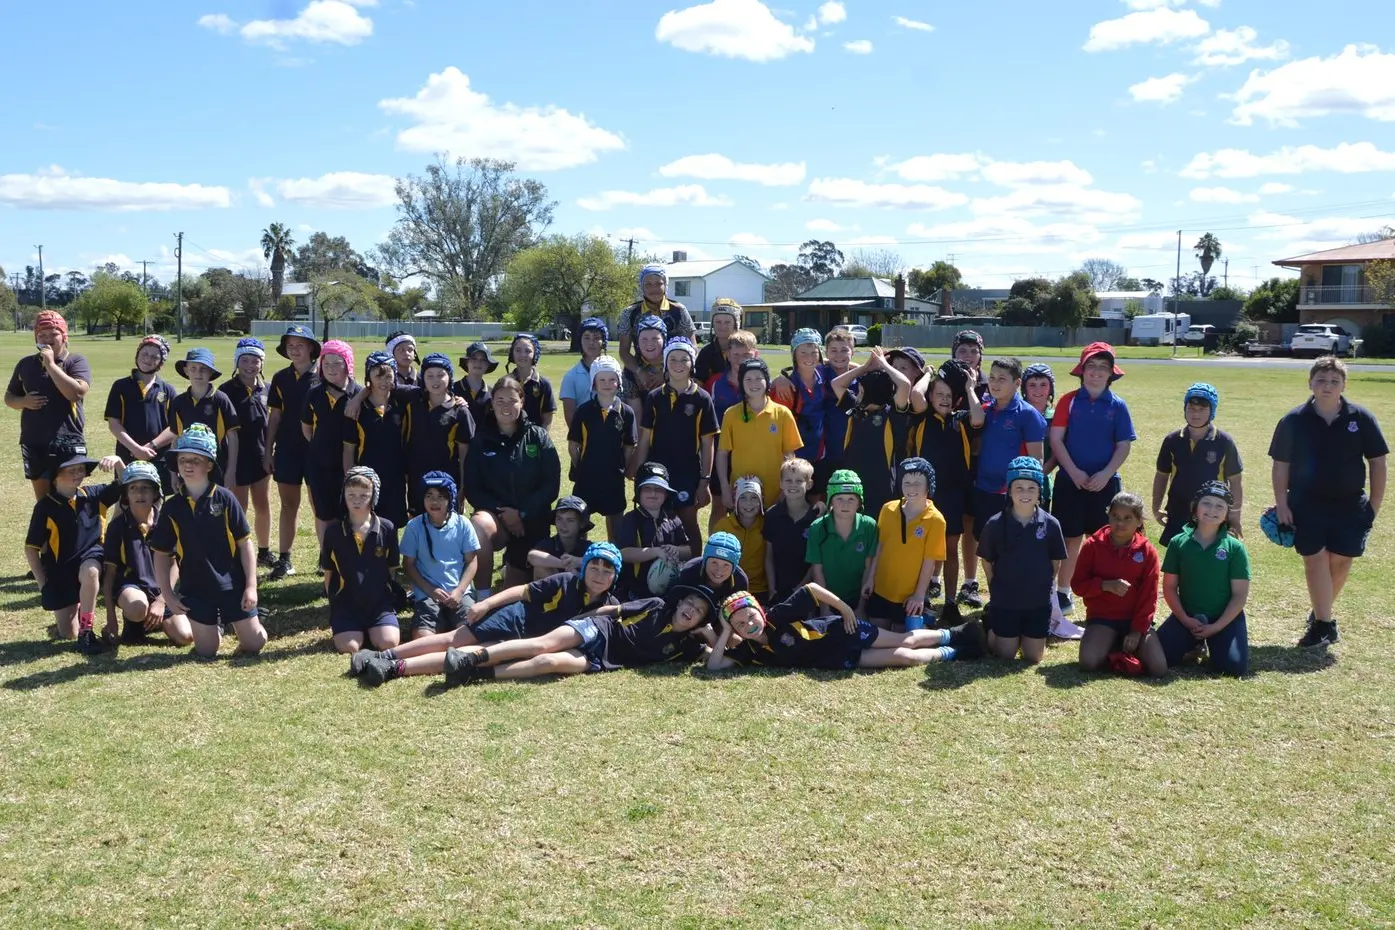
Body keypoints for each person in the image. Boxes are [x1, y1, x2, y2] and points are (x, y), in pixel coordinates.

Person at [349, 542, 624, 685]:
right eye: (594, 567)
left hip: (525, 644)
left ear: (615, 576)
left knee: (465, 656)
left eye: (607, 571)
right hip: (513, 617)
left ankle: (394, 669)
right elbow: (521, 591)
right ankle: (383, 655)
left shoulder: (609, 608)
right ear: (584, 568)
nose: (599, 575)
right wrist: (486, 604)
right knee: (452, 639)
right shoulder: (566, 581)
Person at [1268, 356, 1386, 648]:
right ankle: (1324, 626)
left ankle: (1321, 610)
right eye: (1321, 380)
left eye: (1334, 381)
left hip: (1350, 504)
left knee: (1341, 560)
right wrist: (1282, 503)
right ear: (1310, 383)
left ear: (1344, 385)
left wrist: (1374, 505)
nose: (1327, 386)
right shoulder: (1293, 420)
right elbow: (1281, 465)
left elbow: (1378, 462)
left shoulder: (1362, 418)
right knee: (1315, 559)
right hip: (1306, 502)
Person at [413, 585, 717, 687]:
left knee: (547, 662)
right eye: (689, 603)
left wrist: (714, 634)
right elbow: (612, 610)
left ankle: (474, 674)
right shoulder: (657, 605)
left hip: (606, 660)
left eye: (699, 611)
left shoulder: (686, 646)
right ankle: (471, 658)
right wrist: (579, 623)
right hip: (596, 629)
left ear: (701, 621)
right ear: (680, 602)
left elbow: (719, 661)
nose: (691, 610)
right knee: (542, 645)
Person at [150, 425, 267, 659]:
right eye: (183, 459)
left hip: (233, 586)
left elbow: (245, 544)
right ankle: (215, 626)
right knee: (206, 651)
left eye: (196, 460)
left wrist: (251, 587)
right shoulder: (172, 507)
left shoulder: (225, 498)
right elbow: (161, 554)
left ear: (210, 465)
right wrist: (168, 596)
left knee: (255, 643)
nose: (188, 465)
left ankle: (245, 621)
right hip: (196, 589)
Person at [1049, 342, 1136, 617]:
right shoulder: (1069, 401)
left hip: (1104, 484)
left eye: (1103, 367)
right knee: (1069, 539)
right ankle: (1063, 592)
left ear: (1111, 373)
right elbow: (1056, 439)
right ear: (1082, 370)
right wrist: (1074, 471)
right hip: (1070, 481)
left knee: (1103, 542)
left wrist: (1105, 474)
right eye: (1091, 366)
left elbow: (1123, 445)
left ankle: (1102, 595)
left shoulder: (1118, 406)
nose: (1096, 372)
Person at [707, 586, 983, 672]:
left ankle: (955, 633)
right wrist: (725, 629)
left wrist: (845, 609)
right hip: (835, 658)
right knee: (904, 657)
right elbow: (714, 666)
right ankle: (957, 652)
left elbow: (811, 590)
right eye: (740, 624)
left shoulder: (778, 615)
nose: (749, 625)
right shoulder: (751, 651)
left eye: (750, 616)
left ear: (759, 610)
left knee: (904, 640)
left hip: (843, 630)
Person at [25, 439, 126, 653]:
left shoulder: (94, 495)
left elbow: (126, 486)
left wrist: (118, 462)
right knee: (67, 633)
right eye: (71, 469)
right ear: (56, 474)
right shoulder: (45, 507)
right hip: (61, 572)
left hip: (91, 561)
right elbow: (31, 548)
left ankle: (86, 632)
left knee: (90, 572)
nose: (78, 473)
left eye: (81, 468)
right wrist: (43, 584)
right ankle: (78, 609)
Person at [464, 374, 561, 595]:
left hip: (531, 522)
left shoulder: (538, 436)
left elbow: (551, 485)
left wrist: (522, 513)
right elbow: (473, 488)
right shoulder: (481, 440)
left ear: (522, 402)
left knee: (517, 593)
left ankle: (512, 569)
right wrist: (504, 513)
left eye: (512, 400)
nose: (506, 406)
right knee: (478, 526)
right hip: (497, 519)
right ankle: (482, 597)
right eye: (500, 400)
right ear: (492, 403)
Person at [909, 361, 982, 624]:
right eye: (939, 394)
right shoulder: (921, 417)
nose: (944, 399)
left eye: (949, 395)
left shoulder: (960, 420)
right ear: (931, 396)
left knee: (950, 549)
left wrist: (970, 388)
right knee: (920, 548)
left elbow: (979, 418)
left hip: (952, 495)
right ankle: (920, 599)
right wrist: (929, 374)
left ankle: (950, 602)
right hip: (924, 495)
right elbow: (915, 395)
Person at [976, 456, 1067, 665]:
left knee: (1033, 658)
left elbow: (1055, 562)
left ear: (1039, 491)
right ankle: (991, 626)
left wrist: (1044, 584)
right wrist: (995, 586)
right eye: (1019, 488)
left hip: (1037, 602)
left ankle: (1024, 635)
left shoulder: (1051, 524)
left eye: (1031, 488)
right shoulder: (995, 524)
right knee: (1005, 656)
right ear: (1009, 490)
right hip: (1006, 601)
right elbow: (987, 561)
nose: (1025, 494)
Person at [1155, 482, 1252, 676]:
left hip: (1224, 619)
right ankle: (1194, 643)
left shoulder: (1235, 548)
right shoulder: (1178, 543)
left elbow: (1239, 596)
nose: (1212, 510)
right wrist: (1185, 619)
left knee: (1233, 668)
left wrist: (1216, 627)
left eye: (1220, 506)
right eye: (1206, 503)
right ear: (1195, 508)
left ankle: (1214, 643)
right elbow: (1170, 587)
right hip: (1188, 616)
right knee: (1160, 657)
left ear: (1227, 514)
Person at [635, 336, 717, 549]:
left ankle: (694, 566)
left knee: (688, 523)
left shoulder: (702, 399)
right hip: (657, 472)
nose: (678, 364)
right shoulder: (654, 397)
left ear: (692, 364)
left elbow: (707, 443)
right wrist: (639, 470)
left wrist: (704, 481)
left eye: (684, 359)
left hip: (688, 473)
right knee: (656, 523)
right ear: (665, 363)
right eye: (673, 359)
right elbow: (645, 439)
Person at [101, 460, 194, 648]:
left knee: (185, 637)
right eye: (133, 488)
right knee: (137, 607)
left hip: (162, 590)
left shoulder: (167, 522)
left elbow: (174, 565)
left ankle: (151, 620)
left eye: (145, 488)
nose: (139, 493)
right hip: (131, 588)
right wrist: (111, 618)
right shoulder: (117, 526)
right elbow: (109, 575)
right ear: (125, 495)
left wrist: (162, 600)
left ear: (155, 493)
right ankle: (134, 623)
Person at [1073, 491, 1165, 677]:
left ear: (1139, 521)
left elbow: (1149, 595)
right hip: (1103, 617)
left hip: (1134, 619)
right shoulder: (1092, 545)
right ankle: (1113, 645)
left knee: (1158, 669)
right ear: (1108, 515)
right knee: (1089, 662)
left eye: (1127, 518)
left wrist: (1137, 630)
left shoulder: (1147, 551)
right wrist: (1104, 585)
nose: (1120, 523)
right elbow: (1078, 585)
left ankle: (1121, 644)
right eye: (1115, 516)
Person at [6, 311, 93, 500]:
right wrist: (23, 402)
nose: (47, 339)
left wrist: (51, 364)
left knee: (69, 499)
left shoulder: (75, 361)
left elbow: (76, 393)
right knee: (44, 501)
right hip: (34, 440)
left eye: (54, 334)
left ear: (64, 336)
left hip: (68, 440)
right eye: (42, 335)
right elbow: (9, 396)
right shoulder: (26, 364)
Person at [320, 466, 402, 656]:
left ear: (374, 496)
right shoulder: (333, 532)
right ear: (344, 495)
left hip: (379, 604)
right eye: (351, 495)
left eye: (364, 495)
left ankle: (377, 627)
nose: (356, 500)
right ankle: (349, 627)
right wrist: (334, 602)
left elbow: (392, 569)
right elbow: (329, 572)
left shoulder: (387, 528)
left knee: (388, 643)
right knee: (348, 647)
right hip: (347, 603)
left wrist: (384, 594)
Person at [1154, 382, 1244, 546]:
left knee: (1209, 555)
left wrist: (1235, 516)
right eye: (1191, 408)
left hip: (1212, 512)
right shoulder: (1172, 440)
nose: (1195, 413)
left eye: (1202, 409)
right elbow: (1162, 475)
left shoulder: (1224, 441)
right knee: (1177, 556)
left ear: (1212, 411)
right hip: (1178, 509)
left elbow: (1235, 481)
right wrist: (1156, 506)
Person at [263, 325, 320, 580]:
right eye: (290, 346)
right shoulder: (280, 378)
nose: (295, 350)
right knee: (288, 505)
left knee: (319, 506)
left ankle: (326, 558)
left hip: (317, 450)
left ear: (311, 348)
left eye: (300, 345)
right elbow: (275, 416)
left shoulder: (324, 375)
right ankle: (285, 559)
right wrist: (268, 450)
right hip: (287, 448)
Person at [830, 351, 915, 518]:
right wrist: (865, 367)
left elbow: (905, 385)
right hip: (853, 484)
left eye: (861, 392)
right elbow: (836, 384)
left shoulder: (893, 415)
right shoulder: (856, 409)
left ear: (872, 394)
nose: (857, 395)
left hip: (881, 488)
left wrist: (885, 365)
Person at [864, 457, 946, 631]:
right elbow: (880, 546)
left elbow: (930, 561)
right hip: (881, 590)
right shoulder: (888, 509)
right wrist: (870, 578)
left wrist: (919, 595)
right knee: (877, 635)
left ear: (928, 486)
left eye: (918, 483)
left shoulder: (936, 520)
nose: (911, 488)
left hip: (908, 596)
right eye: (906, 483)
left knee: (901, 638)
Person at [400, 471, 481, 639]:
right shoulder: (414, 526)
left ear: (450, 499)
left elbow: (472, 561)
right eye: (429, 496)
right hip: (427, 594)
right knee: (422, 638)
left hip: (458, 594)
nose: (434, 502)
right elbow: (408, 564)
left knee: (471, 633)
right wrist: (430, 590)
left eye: (441, 497)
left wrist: (459, 591)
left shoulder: (463, 524)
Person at [716, 357, 803, 512]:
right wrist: (724, 487)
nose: (753, 383)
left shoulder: (782, 413)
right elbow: (722, 453)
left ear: (767, 381)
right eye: (748, 379)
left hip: (774, 493)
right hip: (742, 495)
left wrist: (785, 490)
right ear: (741, 383)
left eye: (758, 378)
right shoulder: (731, 414)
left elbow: (790, 456)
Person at [567, 355, 637, 540]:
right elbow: (573, 445)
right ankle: (578, 553)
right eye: (602, 380)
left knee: (616, 525)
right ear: (594, 383)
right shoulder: (583, 411)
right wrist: (581, 466)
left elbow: (629, 446)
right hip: (586, 478)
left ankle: (614, 554)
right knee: (580, 522)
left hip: (613, 479)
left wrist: (621, 466)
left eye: (612, 379)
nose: (607, 384)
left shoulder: (627, 413)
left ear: (619, 382)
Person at [947, 330, 991, 611]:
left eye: (973, 351)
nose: (968, 356)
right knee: (947, 525)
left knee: (970, 525)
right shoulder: (944, 379)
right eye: (962, 350)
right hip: (948, 462)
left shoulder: (988, 384)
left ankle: (970, 582)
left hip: (977, 464)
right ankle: (935, 580)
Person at [220, 338, 273, 567]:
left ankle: (264, 551)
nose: (250, 365)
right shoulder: (225, 391)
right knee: (238, 508)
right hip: (236, 459)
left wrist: (270, 453)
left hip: (261, 457)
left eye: (255, 361)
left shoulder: (268, 389)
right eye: (245, 360)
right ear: (236, 362)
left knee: (263, 505)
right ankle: (237, 552)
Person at [301, 340, 360, 544]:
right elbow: (307, 429)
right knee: (323, 514)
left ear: (348, 364)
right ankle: (326, 555)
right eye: (326, 364)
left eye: (337, 363)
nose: (331, 368)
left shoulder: (358, 393)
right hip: (320, 465)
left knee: (350, 512)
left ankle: (348, 555)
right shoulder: (314, 393)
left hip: (351, 465)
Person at [400, 354, 475, 513]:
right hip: (416, 479)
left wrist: (462, 489)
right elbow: (384, 386)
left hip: (447, 480)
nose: (435, 380)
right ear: (423, 378)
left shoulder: (460, 411)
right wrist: (358, 398)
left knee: (444, 523)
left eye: (441, 375)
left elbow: (465, 456)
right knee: (419, 522)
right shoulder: (413, 401)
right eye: (430, 375)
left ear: (450, 377)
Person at [343, 351, 410, 529]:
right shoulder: (357, 408)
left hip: (395, 477)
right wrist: (350, 478)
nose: (383, 381)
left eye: (388, 376)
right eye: (377, 376)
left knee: (392, 526)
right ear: (368, 376)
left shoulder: (402, 405)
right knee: (366, 524)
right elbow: (349, 448)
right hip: (366, 476)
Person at [104, 334, 175, 492]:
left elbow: (174, 427)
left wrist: (151, 446)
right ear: (137, 355)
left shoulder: (167, 390)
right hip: (127, 455)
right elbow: (114, 424)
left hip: (158, 457)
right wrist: (136, 449)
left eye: (155, 357)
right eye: (145, 353)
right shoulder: (121, 386)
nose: (148, 359)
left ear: (161, 363)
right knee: (128, 496)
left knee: (157, 498)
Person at [705, 329, 759, 532]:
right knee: (719, 506)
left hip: (751, 454)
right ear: (727, 355)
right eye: (736, 354)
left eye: (746, 354)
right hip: (722, 454)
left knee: (751, 507)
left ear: (755, 354)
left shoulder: (762, 383)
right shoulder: (715, 383)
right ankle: (714, 547)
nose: (740, 359)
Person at [805, 468, 879, 613]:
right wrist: (825, 610)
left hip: (858, 600)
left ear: (859, 502)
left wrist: (860, 608)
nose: (845, 505)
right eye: (839, 498)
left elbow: (868, 568)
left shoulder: (869, 526)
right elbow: (817, 571)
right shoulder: (817, 528)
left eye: (851, 499)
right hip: (827, 599)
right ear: (830, 500)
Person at [617, 461, 692, 599]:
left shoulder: (673, 519)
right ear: (638, 492)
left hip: (669, 588)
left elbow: (688, 551)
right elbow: (623, 553)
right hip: (636, 591)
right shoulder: (631, 519)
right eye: (647, 488)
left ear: (666, 494)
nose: (653, 493)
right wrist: (655, 552)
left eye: (659, 489)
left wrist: (676, 550)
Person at [619, 263, 695, 389]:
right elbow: (623, 351)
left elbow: (693, 347)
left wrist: (667, 372)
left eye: (658, 284)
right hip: (639, 374)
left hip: (675, 373)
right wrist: (640, 372)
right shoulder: (630, 313)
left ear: (666, 285)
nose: (654, 289)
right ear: (641, 287)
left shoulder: (679, 310)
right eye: (648, 284)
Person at [771, 329, 832, 468]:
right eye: (803, 353)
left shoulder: (823, 374)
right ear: (794, 355)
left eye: (814, 353)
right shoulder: (786, 387)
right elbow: (777, 427)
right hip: (794, 458)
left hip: (820, 453)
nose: (809, 358)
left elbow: (840, 363)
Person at [763, 457, 817, 602]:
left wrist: (801, 588)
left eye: (799, 481)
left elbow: (817, 561)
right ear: (781, 483)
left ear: (809, 484)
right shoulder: (772, 515)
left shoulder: (816, 518)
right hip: (777, 590)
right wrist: (772, 588)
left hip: (807, 591)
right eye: (788, 480)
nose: (793, 485)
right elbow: (768, 556)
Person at [814, 326, 857, 495]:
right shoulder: (819, 374)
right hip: (825, 450)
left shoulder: (860, 379)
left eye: (844, 350)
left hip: (853, 450)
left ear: (852, 352)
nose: (839, 355)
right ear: (826, 352)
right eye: (833, 350)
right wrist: (782, 378)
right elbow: (798, 371)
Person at [712, 475, 769, 600]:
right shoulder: (723, 526)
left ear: (761, 500)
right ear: (735, 500)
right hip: (729, 588)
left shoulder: (768, 524)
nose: (749, 503)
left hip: (760, 589)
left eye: (754, 497)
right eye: (743, 498)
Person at [673, 531, 750, 604]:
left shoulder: (740, 582)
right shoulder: (689, 572)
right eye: (714, 562)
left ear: (734, 568)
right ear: (705, 560)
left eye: (726, 565)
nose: (719, 571)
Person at [527, 496, 593, 580]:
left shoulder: (588, 547)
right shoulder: (550, 544)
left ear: (581, 524)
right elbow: (532, 556)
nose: (563, 525)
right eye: (559, 519)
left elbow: (605, 559)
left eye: (570, 520)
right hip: (554, 587)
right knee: (540, 568)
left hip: (579, 587)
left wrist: (578, 561)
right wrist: (565, 564)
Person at [560, 317, 609, 427]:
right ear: (580, 341)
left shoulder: (614, 373)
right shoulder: (571, 377)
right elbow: (570, 418)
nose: (591, 342)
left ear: (604, 342)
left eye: (596, 338)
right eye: (587, 337)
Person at [505, 332, 556, 428]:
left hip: (535, 435)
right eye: (518, 350)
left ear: (535, 354)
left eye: (528, 351)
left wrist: (541, 436)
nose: (522, 355)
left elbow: (547, 419)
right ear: (512, 353)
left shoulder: (543, 384)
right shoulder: (505, 382)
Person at [695, 297, 741, 387]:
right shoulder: (706, 353)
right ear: (713, 324)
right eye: (718, 322)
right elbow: (699, 383)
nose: (722, 326)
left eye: (727, 322)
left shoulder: (744, 350)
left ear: (736, 324)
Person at [453, 341, 497, 426]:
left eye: (483, 360)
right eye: (474, 359)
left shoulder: (492, 394)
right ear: (467, 362)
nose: (478, 363)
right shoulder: (453, 389)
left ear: (488, 365)